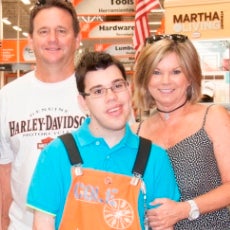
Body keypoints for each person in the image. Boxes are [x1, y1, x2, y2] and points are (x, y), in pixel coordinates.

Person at [26, 51, 180, 230]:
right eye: (98, 91)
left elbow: (164, 226)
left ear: (128, 90)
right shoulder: (57, 154)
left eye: (117, 86)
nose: (112, 97)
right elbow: (42, 225)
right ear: (83, 102)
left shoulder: (154, 158)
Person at [0, 1, 86, 229]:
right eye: (43, 31)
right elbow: (4, 171)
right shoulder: (7, 97)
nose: (52, 39)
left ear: (77, 39)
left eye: (61, 31)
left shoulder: (99, 92)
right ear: (30, 40)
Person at [132, 34, 230, 229]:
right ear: (145, 78)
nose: (165, 81)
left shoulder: (212, 117)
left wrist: (186, 209)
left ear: (190, 77)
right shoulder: (136, 132)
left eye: (176, 71)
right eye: (156, 72)